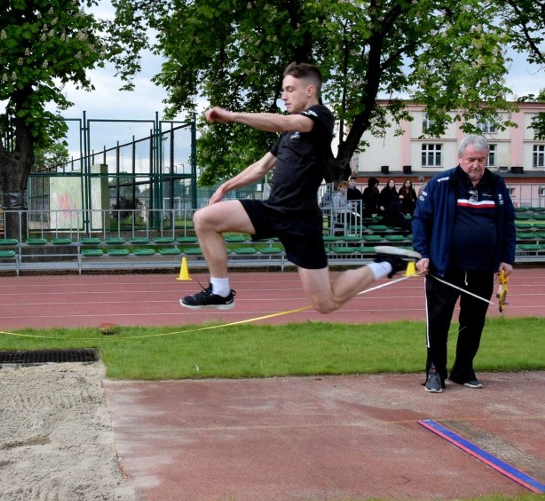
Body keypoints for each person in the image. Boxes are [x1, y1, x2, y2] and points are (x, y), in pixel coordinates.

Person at [179, 62, 420, 313]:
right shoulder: (287, 133)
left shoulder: (320, 117)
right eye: (283, 90)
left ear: (309, 90)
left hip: (302, 222)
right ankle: (220, 291)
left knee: (325, 303)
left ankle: (385, 264)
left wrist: (234, 116)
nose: (283, 95)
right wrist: (225, 187)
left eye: (289, 89)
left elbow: (287, 122)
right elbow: (261, 167)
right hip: (273, 211)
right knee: (204, 219)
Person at [412, 134, 516, 393]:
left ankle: (463, 369)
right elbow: (420, 220)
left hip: (482, 268)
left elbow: (508, 223)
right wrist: (422, 254)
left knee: (474, 321)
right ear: (460, 158)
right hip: (444, 268)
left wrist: (507, 258)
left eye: (481, 159)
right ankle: (435, 371)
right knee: (438, 321)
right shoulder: (440, 183)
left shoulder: (496, 184)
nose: (476, 165)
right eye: (471, 159)